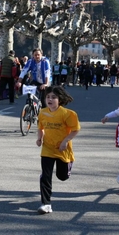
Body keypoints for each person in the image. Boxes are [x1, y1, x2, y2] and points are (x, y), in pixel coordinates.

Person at [36, 86, 80, 214]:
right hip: (48, 148)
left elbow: (75, 129)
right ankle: (46, 203)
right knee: (46, 175)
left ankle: (68, 166)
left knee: (62, 176)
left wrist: (65, 141)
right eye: (48, 97)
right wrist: (40, 139)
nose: (50, 99)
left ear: (59, 100)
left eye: (53, 97)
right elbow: (41, 127)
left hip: (62, 149)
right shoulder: (42, 112)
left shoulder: (67, 114)